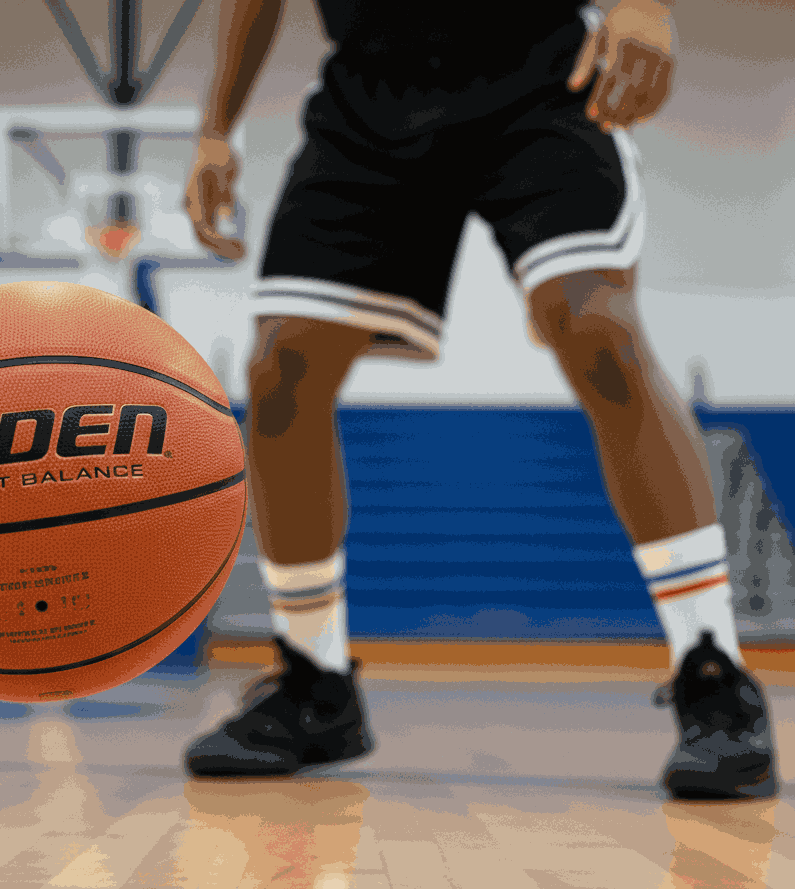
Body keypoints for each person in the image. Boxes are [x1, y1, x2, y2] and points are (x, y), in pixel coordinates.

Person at [182, 0, 776, 799]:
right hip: (371, 100)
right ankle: (313, 681)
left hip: (538, 74)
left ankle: (712, 670)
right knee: (281, 366)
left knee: (594, 323)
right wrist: (216, 126)